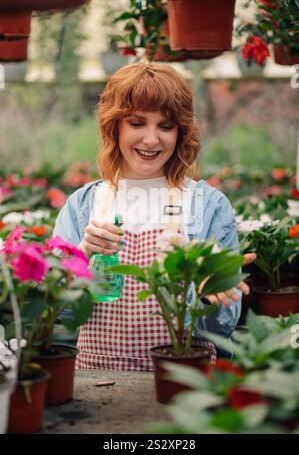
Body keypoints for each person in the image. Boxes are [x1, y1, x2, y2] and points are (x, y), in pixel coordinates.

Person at [53, 62, 255, 371]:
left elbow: (220, 330)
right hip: (96, 383)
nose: (151, 140)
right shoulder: (83, 205)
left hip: (183, 384)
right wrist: (80, 257)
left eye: (165, 126)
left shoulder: (208, 205)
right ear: (114, 126)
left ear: (181, 131)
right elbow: (61, 317)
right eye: (137, 123)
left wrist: (207, 288)